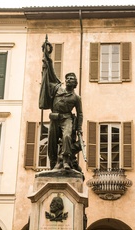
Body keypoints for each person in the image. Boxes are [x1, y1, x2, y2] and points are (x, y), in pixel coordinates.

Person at [39, 39, 83, 170]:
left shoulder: (76, 97)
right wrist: (48, 55)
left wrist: (79, 128)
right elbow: (49, 73)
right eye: (68, 78)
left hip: (67, 118)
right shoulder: (57, 88)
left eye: (72, 79)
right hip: (54, 118)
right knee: (51, 142)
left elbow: (80, 113)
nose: (69, 80)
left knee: (67, 136)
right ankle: (53, 164)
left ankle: (65, 159)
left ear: (75, 84)